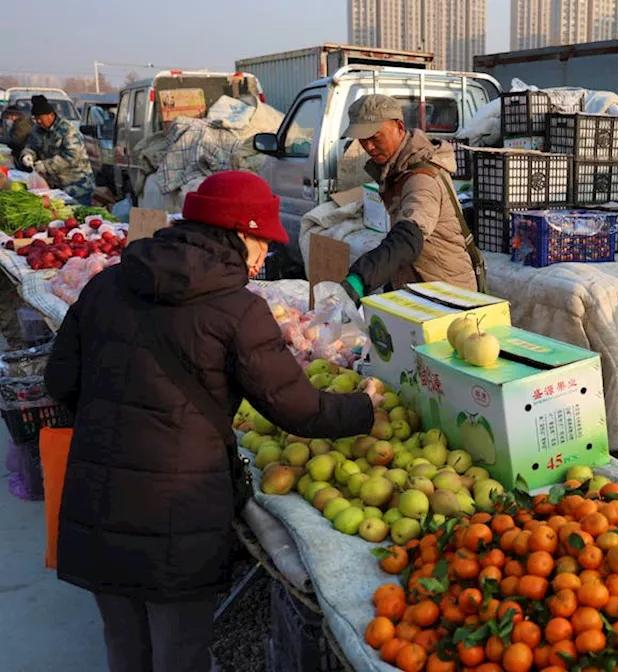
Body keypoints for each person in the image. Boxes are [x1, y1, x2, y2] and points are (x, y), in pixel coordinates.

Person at [44, 171, 379, 672]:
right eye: (262, 241)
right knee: (179, 648)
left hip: (97, 496)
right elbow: (297, 409)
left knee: (123, 640)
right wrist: (365, 407)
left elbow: (59, 382)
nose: (266, 255)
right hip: (180, 510)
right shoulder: (238, 311)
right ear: (235, 233)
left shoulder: (108, 283)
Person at [337, 94, 485, 303]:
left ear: (399, 126)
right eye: (362, 140)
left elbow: (408, 237)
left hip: (449, 297)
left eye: (375, 137)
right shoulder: (397, 170)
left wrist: (361, 278)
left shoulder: (422, 179)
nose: (368, 147)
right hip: (422, 290)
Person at [19, 95, 95, 204]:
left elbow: (72, 156)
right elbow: (31, 146)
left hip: (77, 186)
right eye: (36, 119)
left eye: (40, 118)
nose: (38, 121)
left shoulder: (68, 130)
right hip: (54, 186)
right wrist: (27, 155)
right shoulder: (37, 130)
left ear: (50, 115)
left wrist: (46, 165)